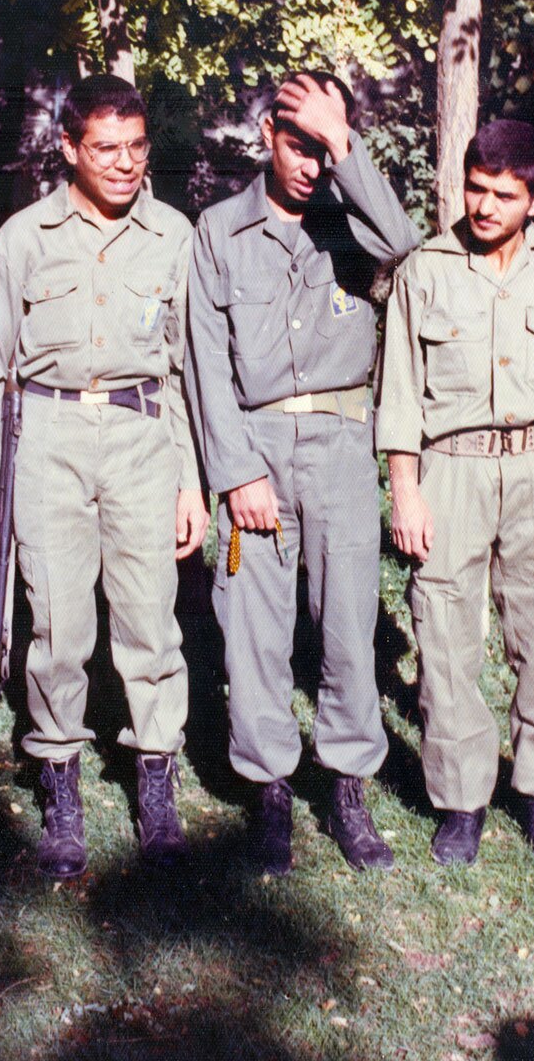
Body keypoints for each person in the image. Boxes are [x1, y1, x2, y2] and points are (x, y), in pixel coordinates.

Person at [0, 74, 209, 879]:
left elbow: (185, 372)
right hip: (48, 439)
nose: (125, 163)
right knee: (57, 626)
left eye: (136, 147)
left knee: (150, 620)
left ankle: (155, 785)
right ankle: (60, 786)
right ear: (68, 148)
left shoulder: (173, 236)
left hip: (142, 438)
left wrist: (191, 482)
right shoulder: (21, 240)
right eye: (106, 148)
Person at [185, 71, 420, 874]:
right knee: (252, 628)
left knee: (348, 622)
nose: (312, 164)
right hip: (255, 449)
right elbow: (205, 363)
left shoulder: (354, 222)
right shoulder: (218, 231)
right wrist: (234, 473)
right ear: (266, 137)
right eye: (299, 144)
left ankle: (347, 784)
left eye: (326, 148)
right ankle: (269, 789)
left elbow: (405, 249)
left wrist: (344, 142)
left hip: (339, 448)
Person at [376, 119, 534, 865]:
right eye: (475, 189)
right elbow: (399, 395)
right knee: (445, 637)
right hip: (451, 470)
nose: (483, 207)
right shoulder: (425, 271)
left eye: (503, 195)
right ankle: (461, 802)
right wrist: (405, 492)